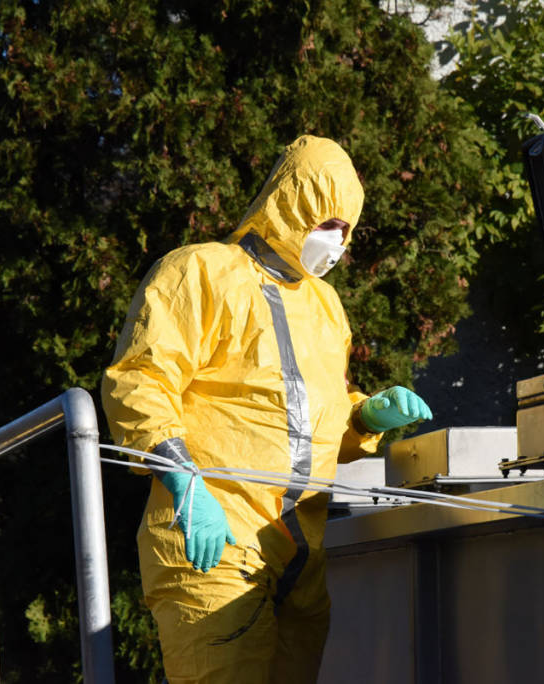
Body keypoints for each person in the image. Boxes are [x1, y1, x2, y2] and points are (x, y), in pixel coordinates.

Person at [101, 135, 433, 683]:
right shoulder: (200, 272)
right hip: (214, 539)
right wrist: (185, 481)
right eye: (329, 222)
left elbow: (312, 420)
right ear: (293, 205)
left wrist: (366, 418)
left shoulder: (326, 307)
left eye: (347, 230)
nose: (338, 241)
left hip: (301, 555)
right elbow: (141, 378)